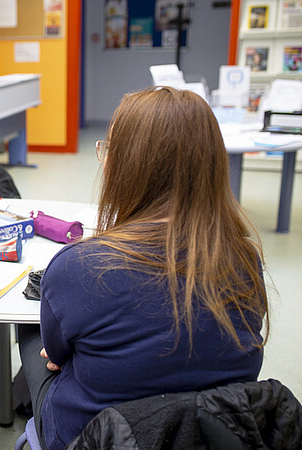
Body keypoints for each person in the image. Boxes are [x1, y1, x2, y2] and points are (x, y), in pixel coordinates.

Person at [18, 86, 270, 450]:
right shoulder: (245, 259)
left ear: (127, 165)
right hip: (211, 434)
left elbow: (57, 356)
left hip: (97, 438)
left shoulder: (78, 267)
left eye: (108, 150)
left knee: (29, 335)